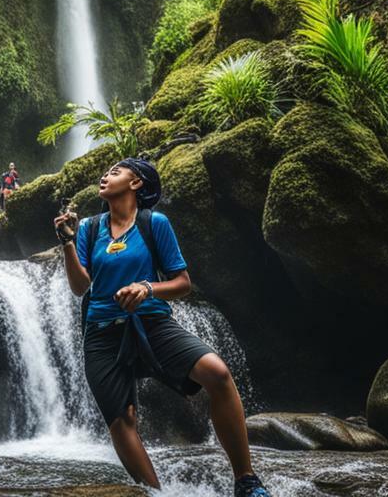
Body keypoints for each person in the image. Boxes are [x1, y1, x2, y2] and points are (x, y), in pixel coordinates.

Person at [53, 159, 270, 497]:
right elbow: (81, 287)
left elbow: (182, 283)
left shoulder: (155, 224)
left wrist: (147, 288)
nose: (105, 176)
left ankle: (246, 480)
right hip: (101, 331)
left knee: (217, 373)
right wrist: (67, 242)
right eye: (106, 172)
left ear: (137, 182)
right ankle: (156, 494)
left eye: (115, 171)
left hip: (152, 321)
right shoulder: (89, 229)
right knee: (123, 419)